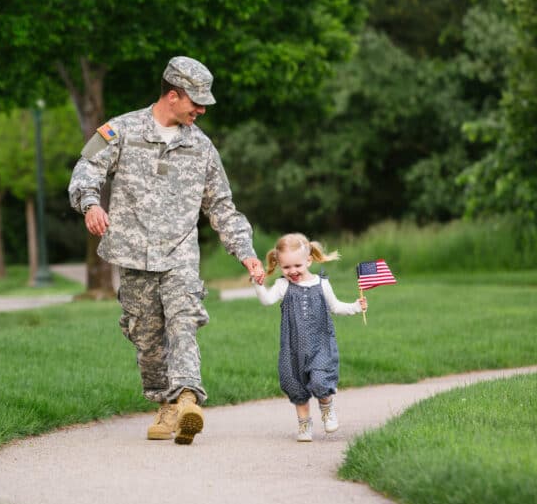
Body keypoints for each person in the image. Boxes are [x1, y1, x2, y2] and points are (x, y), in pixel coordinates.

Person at [68, 56, 266, 445]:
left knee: (183, 320)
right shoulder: (119, 131)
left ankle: (189, 397)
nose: (202, 109)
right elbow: (85, 169)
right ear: (172, 96)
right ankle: (166, 405)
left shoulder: (203, 148)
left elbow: (222, 207)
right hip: (132, 254)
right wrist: (91, 204)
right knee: (145, 335)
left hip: (180, 254)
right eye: (196, 101)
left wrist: (245, 250)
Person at [252, 233, 367, 442]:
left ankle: (327, 408)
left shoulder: (322, 284)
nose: (292, 271)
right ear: (279, 265)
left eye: (297, 265)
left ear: (309, 260)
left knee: (320, 379)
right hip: (292, 347)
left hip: (320, 344)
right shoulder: (283, 285)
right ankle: (304, 424)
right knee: (294, 383)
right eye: (286, 267)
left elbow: (336, 307)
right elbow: (267, 300)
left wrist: (355, 307)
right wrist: (258, 283)